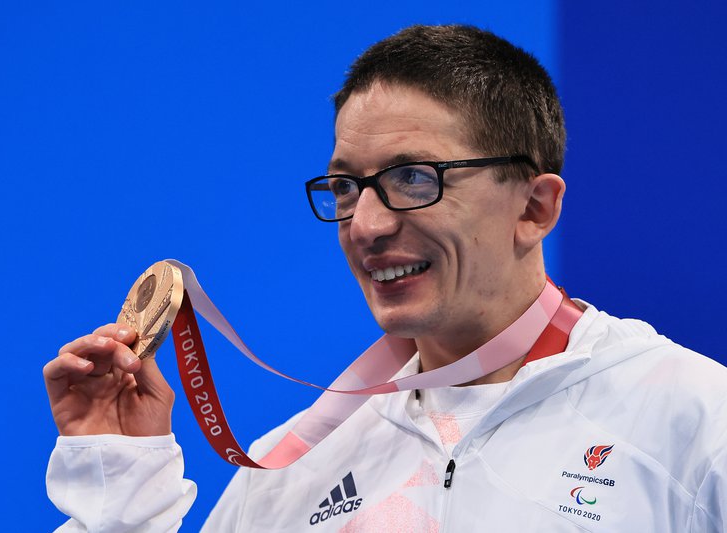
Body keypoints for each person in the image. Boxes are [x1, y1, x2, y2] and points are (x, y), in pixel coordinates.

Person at [44, 25, 727, 531]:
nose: (365, 225)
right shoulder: (291, 469)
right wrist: (119, 491)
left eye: (411, 177)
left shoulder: (692, 421)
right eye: (345, 186)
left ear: (534, 206)